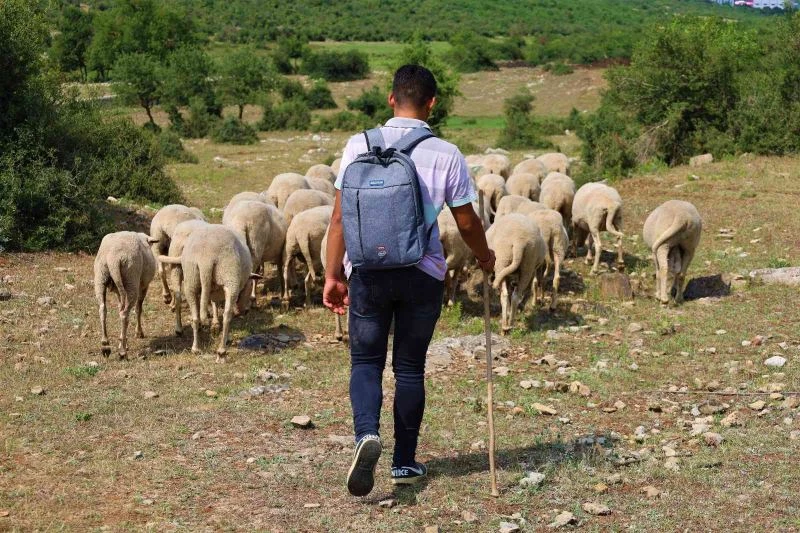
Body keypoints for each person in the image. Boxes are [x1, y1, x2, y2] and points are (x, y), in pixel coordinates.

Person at [323, 64, 495, 497]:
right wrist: (485, 256)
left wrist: (331, 273)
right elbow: (466, 221)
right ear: (432, 103)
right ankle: (403, 462)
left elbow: (340, 216)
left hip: (366, 272)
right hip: (421, 274)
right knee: (409, 367)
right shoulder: (445, 153)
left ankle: (366, 435)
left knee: (365, 363)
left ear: (390, 98)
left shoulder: (357, 144)